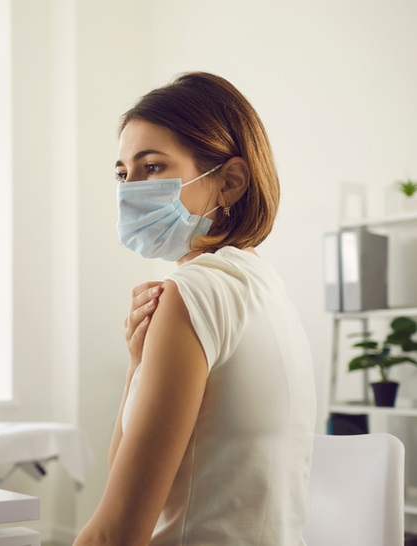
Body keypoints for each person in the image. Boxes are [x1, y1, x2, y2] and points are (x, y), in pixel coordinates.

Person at [74, 72, 316, 545]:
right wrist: (137, 365)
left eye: (153, 167)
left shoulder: (193, 292)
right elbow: (130, 472)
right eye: (122, 173)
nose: (129, 189)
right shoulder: (262, 284)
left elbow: (119, 531)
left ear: (229, 182)